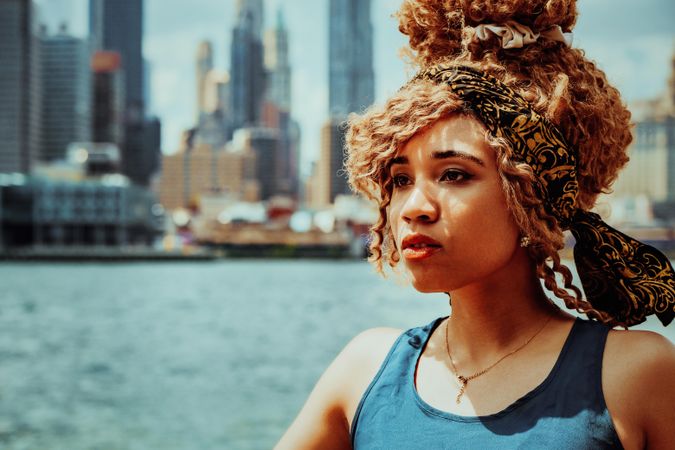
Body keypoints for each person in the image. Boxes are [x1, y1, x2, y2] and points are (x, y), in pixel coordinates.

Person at [275, 0, 675, 448]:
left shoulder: (634, 375)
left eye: (454, 175)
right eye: (401, 179)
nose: (413, 207)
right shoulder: (365, 370)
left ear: (531, 195)